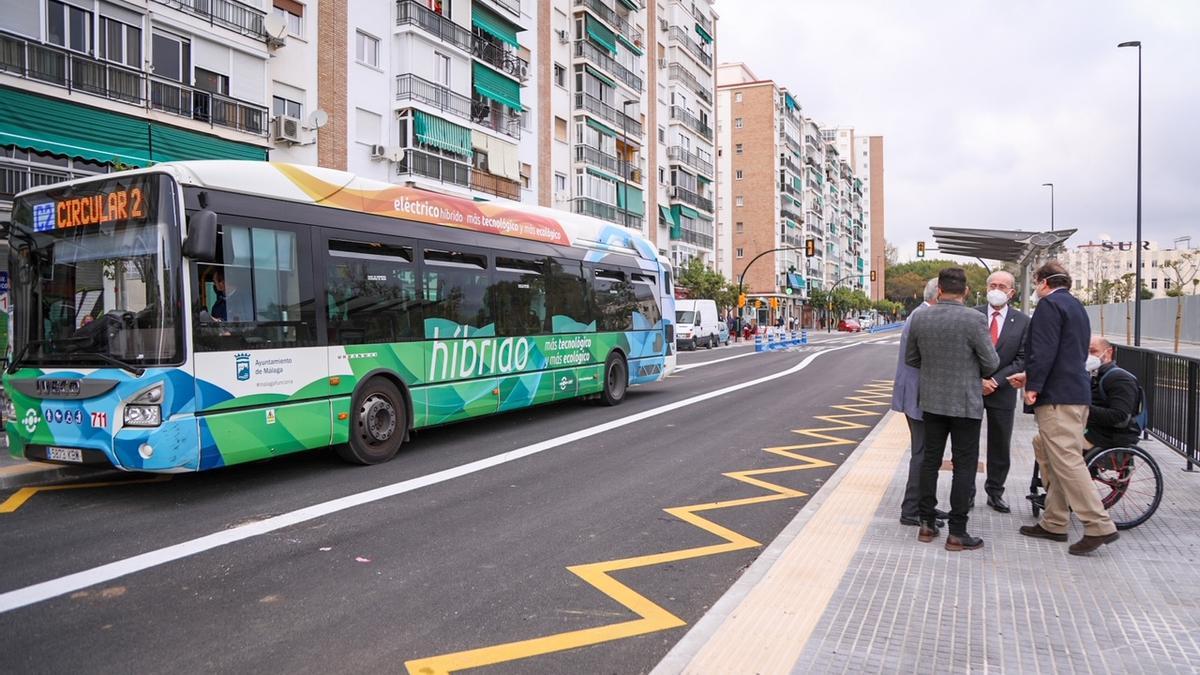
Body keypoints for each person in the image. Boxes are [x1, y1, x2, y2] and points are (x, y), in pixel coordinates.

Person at [1013, 261, 1119, 556]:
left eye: (1035, 282)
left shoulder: (1048, 306)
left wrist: (1032, 386)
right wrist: (1031, 376)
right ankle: (1055, 521)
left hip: (1057, 397)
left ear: (1044, 282)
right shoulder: (1075, 307)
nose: (1035, 288)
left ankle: (1099, 525)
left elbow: (1044, 350)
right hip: (1076, 392)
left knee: (1068, 461)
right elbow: (1066, 352)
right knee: (1055, 455)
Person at [906, 267, 999, 551]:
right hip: (965, 403)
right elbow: (991, 363)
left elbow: (912, 357)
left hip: (932, 402)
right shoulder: (974, 319)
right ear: (966, 291)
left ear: (940, 290)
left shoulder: (920, 316)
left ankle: (926, 523)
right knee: (964, 465)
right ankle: (957, 531)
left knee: (929, 462)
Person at [892, 277, 947, 526]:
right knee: (923, 454)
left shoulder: (919, 314)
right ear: (939, 295)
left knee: (925, 453)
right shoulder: (923, 317)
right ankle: (912, 510)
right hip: (920, 395)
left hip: (917, 393)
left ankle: (924, 506)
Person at [975, 270, 1030, 513]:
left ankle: (995, 492)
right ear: (986, 288)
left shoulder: (1023, 321)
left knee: (1000, 444)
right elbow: (963, 353)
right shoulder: (972, 315)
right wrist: (979, 381)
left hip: (1003, 391)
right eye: (993, 284)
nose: (996, 289)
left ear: (1011, 292)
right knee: (966, 443)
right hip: (972, 389)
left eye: (1002, 286)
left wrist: (994, 381)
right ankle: (965, 493)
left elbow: (1022, 359)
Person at [1085, 336, 1142, 450]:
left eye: (1093, 351)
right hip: (1096, 430)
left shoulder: (1120, 379)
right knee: (1043, 440)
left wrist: (1083, 409)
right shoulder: (1095, 375)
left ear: (1109, 352)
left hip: (1110, 436)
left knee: (1057, 444)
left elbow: (1120, 415)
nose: (1088, 356)